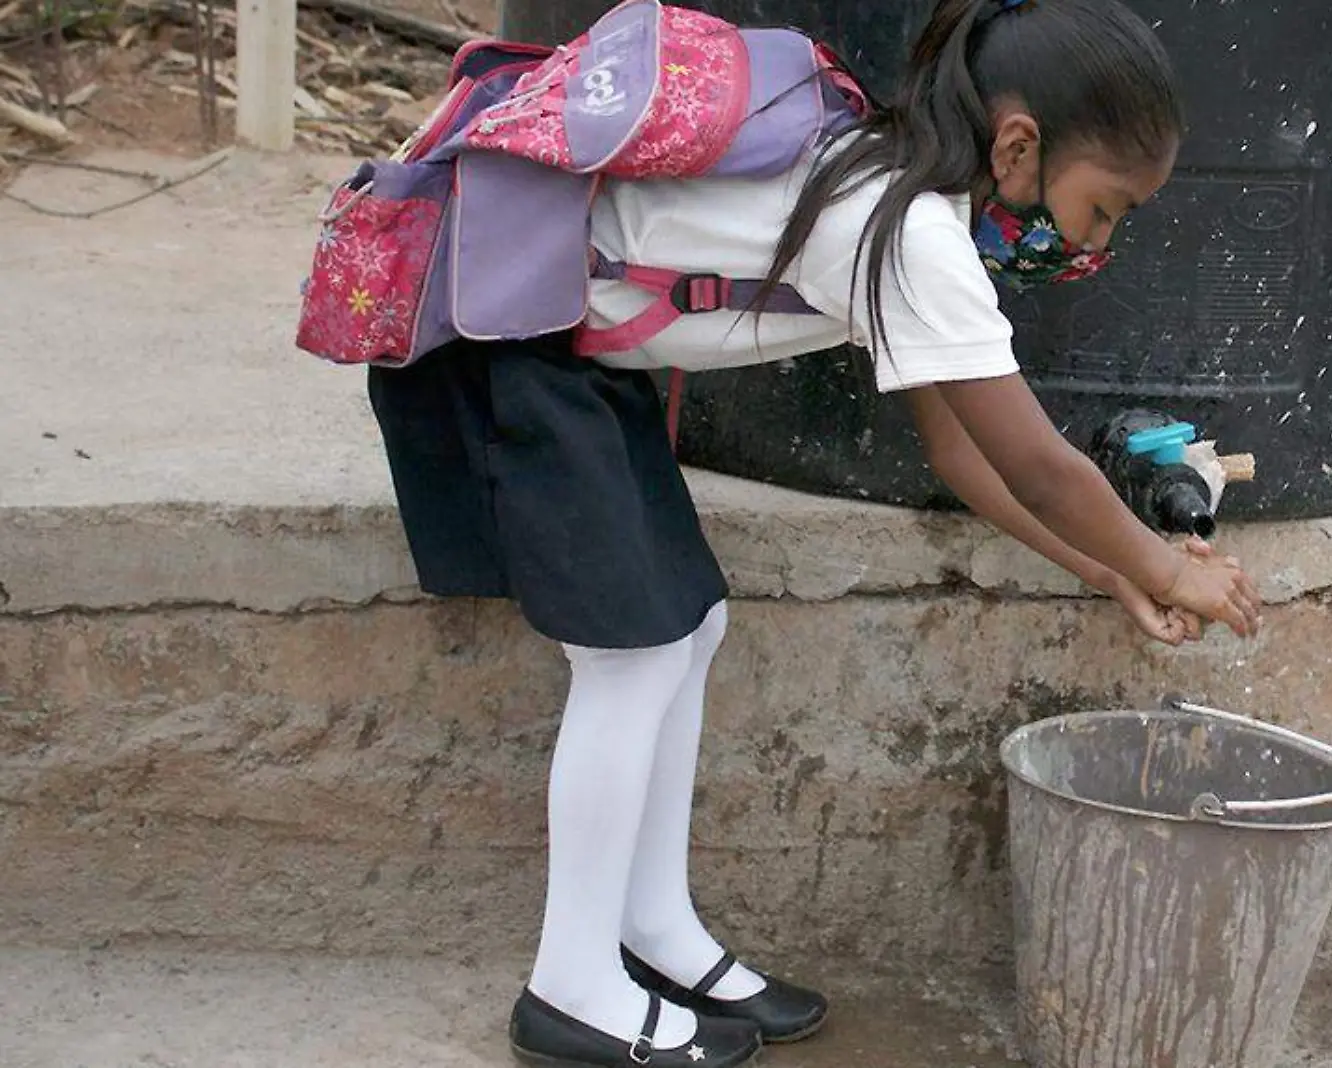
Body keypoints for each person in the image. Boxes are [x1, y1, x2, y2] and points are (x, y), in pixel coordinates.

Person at [365, 0, 1261, 1065]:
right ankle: (568, 985)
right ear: (1018, 146)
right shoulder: (912, 232)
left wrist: (1106, 571)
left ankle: (652, 930)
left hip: (573, 349)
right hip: (507, 341)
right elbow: (1037, 463)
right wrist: (1164, 564)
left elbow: (962, 456)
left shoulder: (893, 189)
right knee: (631, 655)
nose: (1097, 242)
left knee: (685, 628)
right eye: (1103, 209)